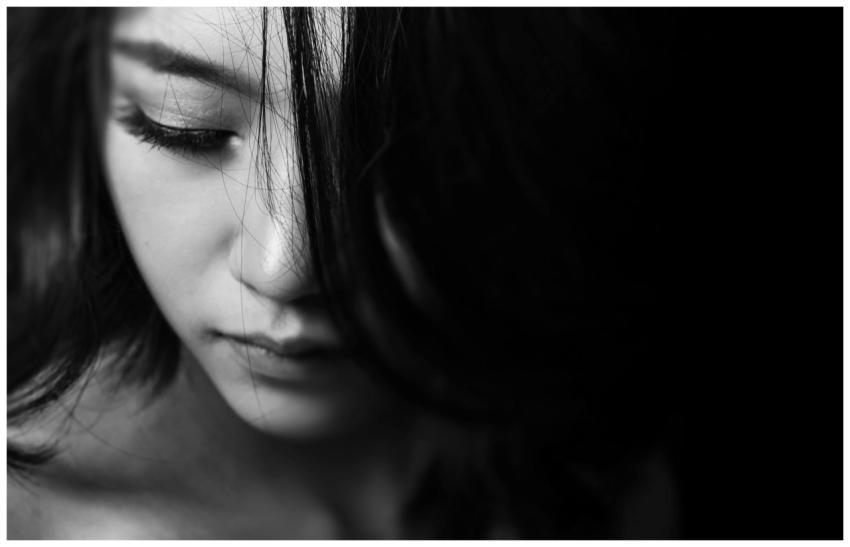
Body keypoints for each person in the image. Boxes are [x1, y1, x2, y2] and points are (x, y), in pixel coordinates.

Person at [8, 7, 677, 539]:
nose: (284, 266)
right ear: (81, 100)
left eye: (394, 146)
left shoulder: (604, 460)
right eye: (188, 126)